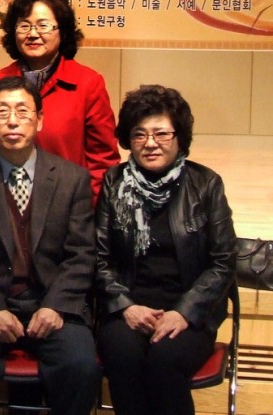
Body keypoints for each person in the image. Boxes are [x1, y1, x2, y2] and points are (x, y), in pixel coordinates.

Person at [0, 76, 100, 415]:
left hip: (53, 303)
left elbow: (81, 254)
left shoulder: (72, 179)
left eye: (22, 111)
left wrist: (55, 306)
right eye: (2, 112)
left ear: (39, 120)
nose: (12, 121)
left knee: (81, 366)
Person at [95, 84, 236, 415]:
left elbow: (222, 262)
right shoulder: (114, 182)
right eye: (139, 134)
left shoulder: (206, 184)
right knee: (124, 357)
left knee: (164, 361)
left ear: (179, 137)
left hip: (187, 310)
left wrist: (183, 312)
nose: (150, 143)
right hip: (128, 307)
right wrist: (126, 306)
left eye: (161, 133)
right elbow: (99, 259)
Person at [0, 0, 119, 202]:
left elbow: (102, 162)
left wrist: (87, 210)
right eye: (24, 26)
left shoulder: (88, 83)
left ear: (62, 31)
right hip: (8, 203)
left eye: (43, 25)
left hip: (68, 205)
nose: (33, 34)